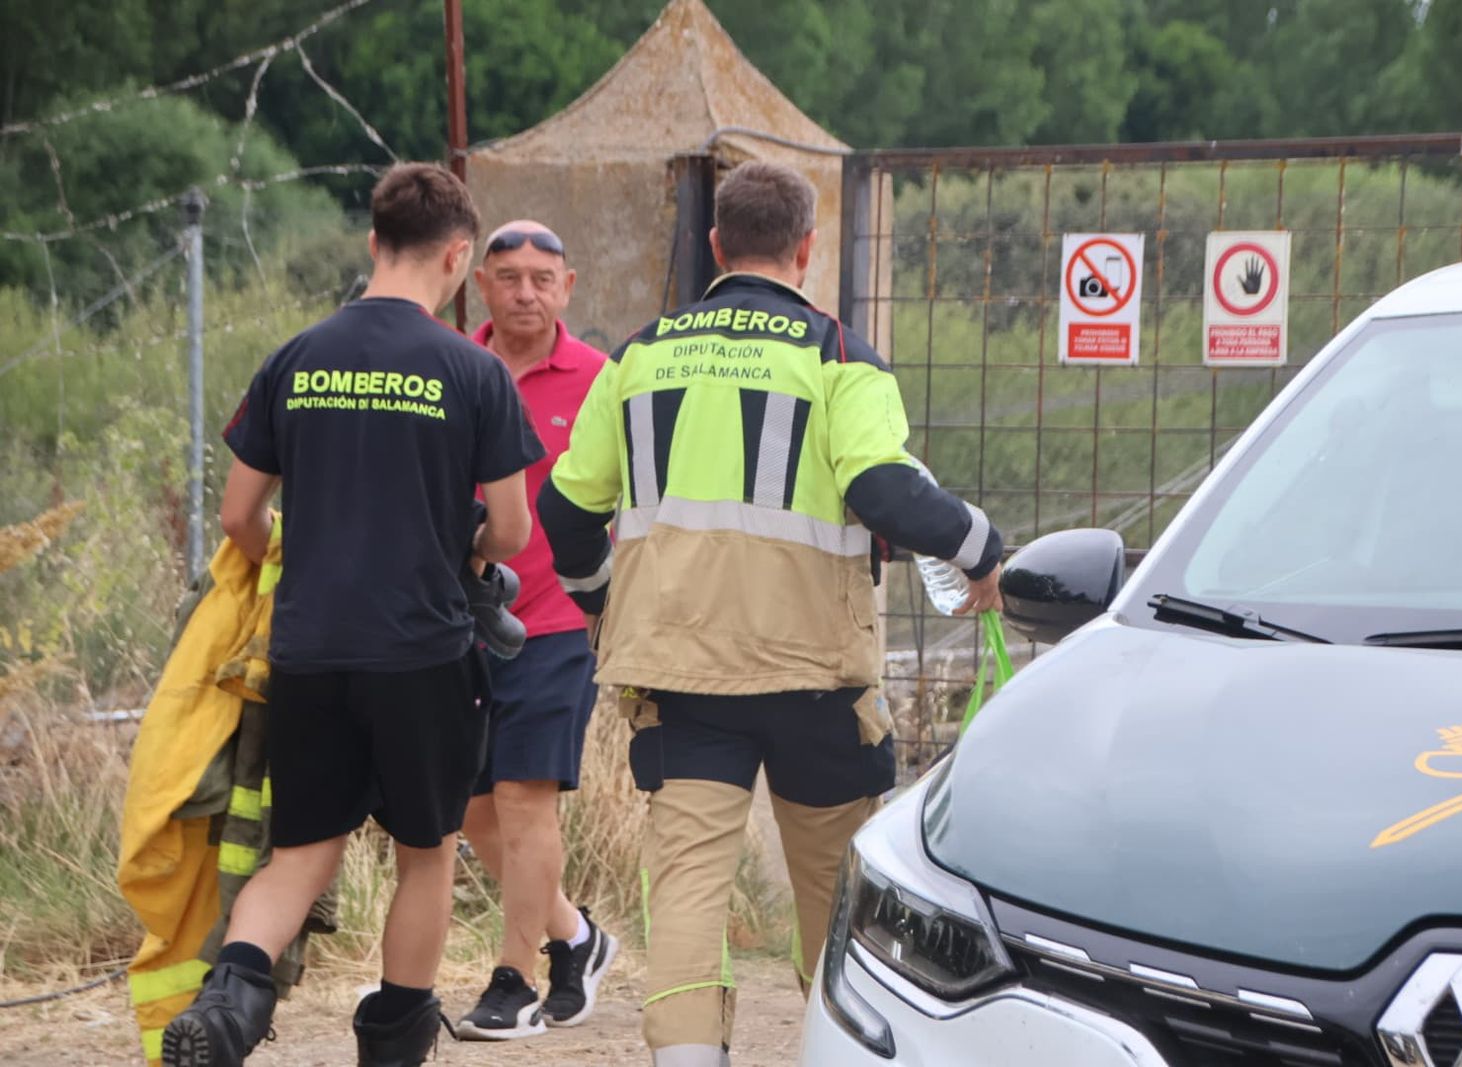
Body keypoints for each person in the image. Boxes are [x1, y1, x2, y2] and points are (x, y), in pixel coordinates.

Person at [536, 160, 1004, 1067]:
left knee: (686, 883)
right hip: (815, 676)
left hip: (680, 673)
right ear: (807, 248)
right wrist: (980, 546)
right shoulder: (840, 357)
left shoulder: (638, 357)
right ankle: (844, 1047)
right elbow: (883, 489)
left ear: (716, 246)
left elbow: (564, 511)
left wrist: (602, 599)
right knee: (835, 883)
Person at [161, 162, 545, 1067]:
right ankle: (393, 1044)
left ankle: (225, 1009)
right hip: (424, 653)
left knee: (299, 852)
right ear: (458, 256)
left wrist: (295, 559)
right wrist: (464, 550)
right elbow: (513, 530)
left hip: (310, 649)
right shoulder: (474, 370)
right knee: (426, 852)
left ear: (374, 242)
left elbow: (238, 516)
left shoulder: (294, 358)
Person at [454, 220, 617, 1041]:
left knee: (524, 797)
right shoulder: (451, 366)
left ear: (568, 287)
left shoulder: (603, 381)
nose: (526, 292)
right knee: (470, 808)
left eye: (541, 278)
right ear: (479, 283)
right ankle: (577, 935)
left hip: (557, 624)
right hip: (457, 623)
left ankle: (514, 981)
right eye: (509, 276)